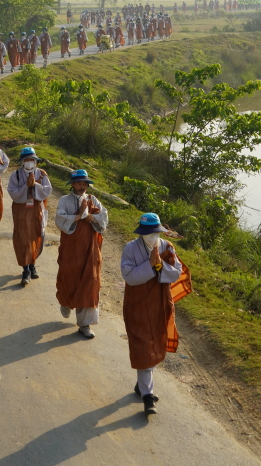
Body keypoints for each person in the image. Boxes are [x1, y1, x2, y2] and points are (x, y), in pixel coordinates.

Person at [121, 212, 192, 416]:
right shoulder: (130, 249)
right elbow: (129, 277)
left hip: (159, 302)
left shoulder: (167, 247)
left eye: (156, 233)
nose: (152, 237)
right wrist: (150, 265)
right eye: (148, 233)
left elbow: (176, 272)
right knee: (143, 345)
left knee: (155, 343)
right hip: (138, 304)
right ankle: (148, 396)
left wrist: (160, 266)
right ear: (141, 233)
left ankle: (142, 385)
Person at [55, 169, 107, 339]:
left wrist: (91, 217)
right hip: (71, 249)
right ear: (72, 184)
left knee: (90, 281)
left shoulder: (93, 200)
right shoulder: (65, 200)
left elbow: (104, 219)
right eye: (78, 183)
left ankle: (84, 324)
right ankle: (66, 302)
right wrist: (78, 216)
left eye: (84, 183)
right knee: (69, 277)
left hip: (90, 249)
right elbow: (59, 220)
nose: (82, 186)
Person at [7, 147, 52, 286]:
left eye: (31, 160)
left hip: (36, 210)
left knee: (36, 236)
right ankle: (25, 269)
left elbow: (47, 191)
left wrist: (35, 185)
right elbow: (13, 193)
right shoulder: (17, 175)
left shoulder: (42, 174)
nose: (29, 162)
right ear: (22, 162)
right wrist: (26, 187)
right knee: (23, 237)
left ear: (36, 161)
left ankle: (32, 263)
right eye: (26, 160)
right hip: (21, 211)